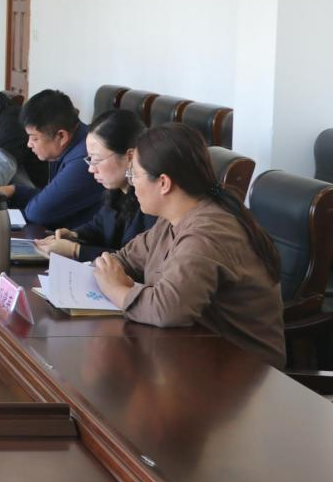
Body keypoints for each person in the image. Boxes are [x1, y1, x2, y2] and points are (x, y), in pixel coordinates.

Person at [93, 123, 285, 369]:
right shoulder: (172, 219)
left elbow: (167, 309)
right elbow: (125, 260)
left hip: (244, 371)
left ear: (163, 183)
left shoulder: (209, 232)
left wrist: (115, 289)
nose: (132, 184)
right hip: (192, 352)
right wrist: (108, 271)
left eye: (134, 175)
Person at [36, 109, 156, 261]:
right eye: (89, 159)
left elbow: (136, 261)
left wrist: (76, 250)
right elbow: (99, 226)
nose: (91, 169)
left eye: (96, 159)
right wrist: (74, 235)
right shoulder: (117, 190)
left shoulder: (152, 202)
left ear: (130, 156)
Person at [0, 89, 102, 229]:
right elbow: (52, 196)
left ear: (61, 136)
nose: (29, 144)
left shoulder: (84, 159)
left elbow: (38, 213)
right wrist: (15, 191)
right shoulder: (72, 144)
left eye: (34, 138)